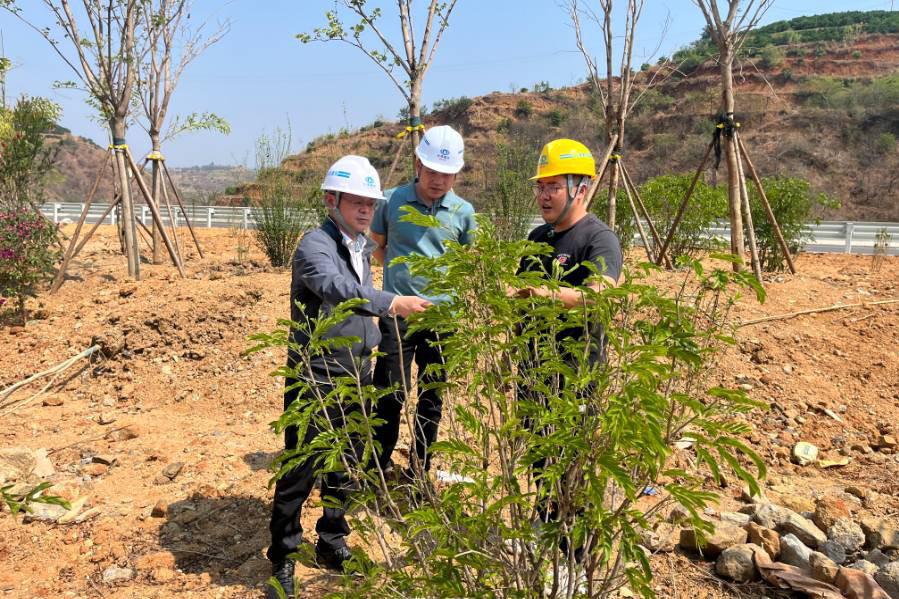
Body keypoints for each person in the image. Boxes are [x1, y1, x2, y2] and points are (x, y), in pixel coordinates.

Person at [266, 155, 430, 599]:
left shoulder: (359, 245)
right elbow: (334, 288)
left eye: (370, 203)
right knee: (301, 469)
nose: (365, 209)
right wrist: (389, 303)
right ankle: (283, 556)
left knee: (345, 465)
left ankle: (332, 541)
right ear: (331, 200)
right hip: (317, 378)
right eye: (356, 201)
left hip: (356, 374)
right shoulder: (314, 246)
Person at [516, 138, 623, 564]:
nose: (544, 195)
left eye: (554, 186)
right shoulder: (537, 237)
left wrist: (544, 295)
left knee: (572, 466)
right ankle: (545, 531)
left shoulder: (599, 239)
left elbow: (600, 294)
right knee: (540, 458)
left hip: (575, 376)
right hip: (533, 371)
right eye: (540, 186)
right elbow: (518, 297)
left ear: (581, 189)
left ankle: (575, 556)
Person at [370, 125, 476, 478]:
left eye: (447, 174)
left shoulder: (463, 212)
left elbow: (467, 260)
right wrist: (400, 289)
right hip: (397, 314)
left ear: (457, 174)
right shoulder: (391, 201)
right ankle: (379, 463)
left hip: (442, 319)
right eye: (432, 171)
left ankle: (420, 468)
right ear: (418, 164)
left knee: (432, 396)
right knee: (390, 392)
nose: (438, 181)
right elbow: (379, 246)